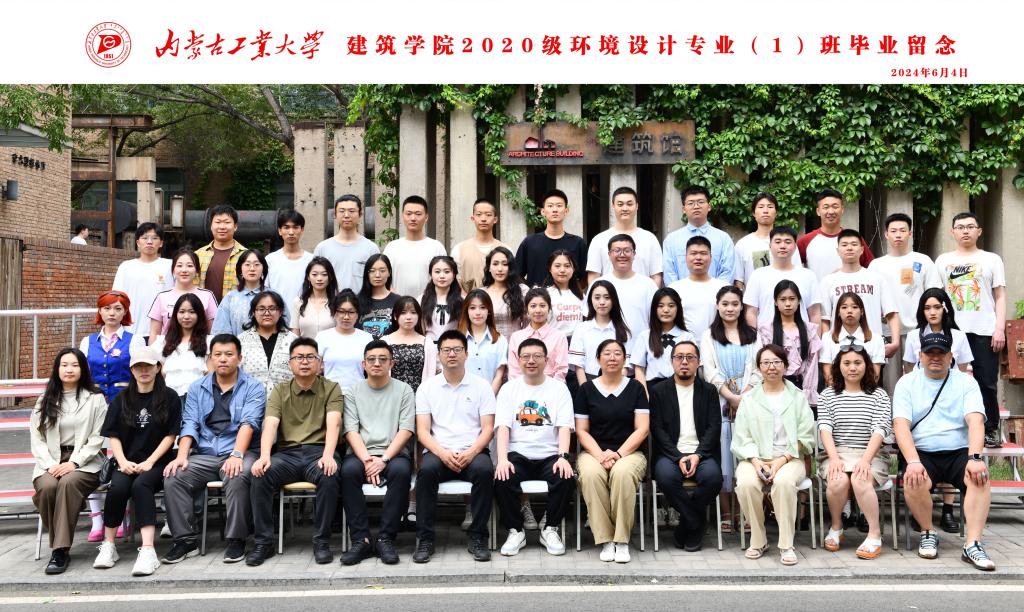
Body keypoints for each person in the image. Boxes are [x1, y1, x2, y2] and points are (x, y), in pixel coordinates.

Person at [892, 332, 995, 571]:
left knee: (979, 477)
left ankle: (973, 544)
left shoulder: (966, 382)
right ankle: (928, 532)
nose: (935, 358)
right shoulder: (906, 383)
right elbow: (900, 425)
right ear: (920, 356)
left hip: (959, 450)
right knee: (913, 478)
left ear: (951, 357)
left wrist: (975, 457)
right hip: (922, 451)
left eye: (941, 353)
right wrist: (913, 461)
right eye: (930, 353)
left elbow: (976, 421)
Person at [161, 334, 266, 565]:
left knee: (237, 474)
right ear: (210, 358)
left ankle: (236, 539)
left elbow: (249, 423)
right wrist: (181, 456)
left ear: (239, 358)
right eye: (218, 354)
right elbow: (190, 423)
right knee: (174, 475)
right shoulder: (197, 387)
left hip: (240, 451)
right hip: (206, 453)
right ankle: (185, 540)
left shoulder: (254, 387)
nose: (223, 359)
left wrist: (237, 454)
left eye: (229, 354)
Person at [246, 337, 343, 566]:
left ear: (319, 363)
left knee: (329, 475)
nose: (305, 362)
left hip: (319, 452)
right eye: (299, 357)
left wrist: (328, 455)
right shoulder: (280, 391)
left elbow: (335, 422)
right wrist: (264, 457)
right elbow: (270, 424)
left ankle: (321, 541)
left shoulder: (331, 388)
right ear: (290, 363)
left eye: (310, 357)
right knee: (260, 474)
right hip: (287, 455)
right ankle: (264, 543)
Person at [92, 346, 180, 576]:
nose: (144, 370)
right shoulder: (121, 399)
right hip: (127, 461)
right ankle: (109, 545)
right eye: (138, 366)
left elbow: (171, 435)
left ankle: (148, 549)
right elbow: (113, 435)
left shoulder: (169, 397)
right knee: (118, 488)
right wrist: (122, 462)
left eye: (148, 366)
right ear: (131, 370)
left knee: (142, 485)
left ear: (158, 368)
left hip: (158, 461)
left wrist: (150, 461)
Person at [413, 330, 496, 563]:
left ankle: (478, 536)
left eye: (457, 350)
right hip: (439, 451)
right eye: (446, 350)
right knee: (426, 472)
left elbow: (488, 428)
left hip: (473, 450)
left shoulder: (481, 386)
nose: (452, 354)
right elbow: (422, 431)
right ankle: (425, 539)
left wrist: (471, 452)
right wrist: (442, 453)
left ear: (466, 354)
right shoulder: (427, 388)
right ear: (439, 354)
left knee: (484, 471)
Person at [731, 344, 815, 566]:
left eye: (777, 362)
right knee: (746, 483)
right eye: (766, 363)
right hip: (755, 458)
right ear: (759, 367)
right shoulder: (749, 399)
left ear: (785, 366)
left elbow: (807, 435)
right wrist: (756, 461)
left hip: (790, 458)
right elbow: (741, 437)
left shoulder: (797, 397)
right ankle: (758, 540)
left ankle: (786, 544)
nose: (771, 367)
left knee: (784, 483)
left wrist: (781, 460)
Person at [494, 338, 575, 556]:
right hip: (518, 454)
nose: (531, 361)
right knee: (502, 477)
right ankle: (516, 530)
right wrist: (502, 459)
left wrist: (563, 457)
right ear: (518, 360)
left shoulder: (559, 389)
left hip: (550, 454)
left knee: (566, 477)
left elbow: (564, 426)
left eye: (537, 356)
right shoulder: (508, 389)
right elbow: (503, 427)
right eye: (526, 356)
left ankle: (550, 528)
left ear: (546, 360)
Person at [30, 349, 107, 574]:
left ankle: (59, 550)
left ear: (83, 369)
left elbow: (97, 438)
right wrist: (49, 464)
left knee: (67, 483)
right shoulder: (45, 399)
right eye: (64, 365)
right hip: (51, 461)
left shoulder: (95, 399)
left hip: (86, 461)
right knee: (47, 487)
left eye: (75, 365)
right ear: (57, 369)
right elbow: (36, 437)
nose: (69, 369)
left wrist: (74, 463)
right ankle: (69, 509)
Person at [934, 211, 1006, 448]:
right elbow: (937, 298)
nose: (965, 231)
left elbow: (1000, 296)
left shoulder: (992, 259)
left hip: (984, 330)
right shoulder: (943, 261)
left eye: (970, 226)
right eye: (960, 227)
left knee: (987, 382)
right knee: (948, 380)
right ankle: (951, 428)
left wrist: (999, 329)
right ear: (952, 232)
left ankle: (991, 429)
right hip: (952, 331)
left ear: (979, 231)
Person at [340, 340, 416, 566]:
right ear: (363, 364)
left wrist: (383, 460)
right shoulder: (353, 391)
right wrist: (367, 460)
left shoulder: (404, 390)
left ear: (392, 363)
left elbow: (406, 430)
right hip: (361, 453)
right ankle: (361, 539)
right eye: (371, 359)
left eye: (383, 359)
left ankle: (386, 538)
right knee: (348, 472)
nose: (377, 363)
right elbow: (351, 430)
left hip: (393, 453)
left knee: (401, 472)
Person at [575, 339, 650, 562]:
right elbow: (581, 431)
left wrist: (618, 455)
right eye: (607, 353)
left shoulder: (635, 388)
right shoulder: (586, 390)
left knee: (622, 473)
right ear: (598, 359)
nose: (612, 357)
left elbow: (642, 429)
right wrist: (600, 455)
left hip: (630, 452)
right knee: (590, 474)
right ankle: (605, 539)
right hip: (594, 452)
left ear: (625, 359)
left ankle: (621, 540)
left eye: (618, 353)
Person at [817, 344, 892, 560]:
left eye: (858, 363)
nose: (852, 368)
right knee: (837, 480)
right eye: (847, 363)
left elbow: (880, 430)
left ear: (866, 365)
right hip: (837, 452)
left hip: (871, 454)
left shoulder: (879, 395)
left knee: (860, 479)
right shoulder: (827, 395)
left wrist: (866, 460)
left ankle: (874, 534)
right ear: (838, 366)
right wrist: (834, 459)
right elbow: (825, 428)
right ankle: (836, 527)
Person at [649, 340, 723, 551]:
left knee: (713, 478)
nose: (684, 362)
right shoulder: (659, 391)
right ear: (672, 361)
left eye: (690, 357)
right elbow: (657, 430)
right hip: (670, 454)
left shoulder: (708, 390)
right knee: (665, 477)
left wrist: (698, 455)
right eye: (679, 357)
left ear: (698, 362)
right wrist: (678, 457)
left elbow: (714, 427)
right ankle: (695, 522)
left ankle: (685, 526)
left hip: (702, 454)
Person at [700, 285, 761, 531]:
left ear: (741, 306)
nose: (730, 308)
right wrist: (730, 397)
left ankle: (746, 512)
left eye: (735, 304)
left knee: (746, 455)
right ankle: (726, 512)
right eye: (725, 304)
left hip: (750, 400)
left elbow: (758, 369)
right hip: (719, 401)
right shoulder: (709, 336)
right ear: (717, 306)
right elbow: (709, 371)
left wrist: (743, 397)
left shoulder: (753, 335)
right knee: (723, 455)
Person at [868, 213, 942, 392]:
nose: (898, 235)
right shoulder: (876, 265)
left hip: (918, 330)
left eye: (902, 230)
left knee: (919, 380)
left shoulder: (923, 261)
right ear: (886, 234)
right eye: (893, 231)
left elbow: (935, 295)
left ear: (910, 233)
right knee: (890, 384)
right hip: (886, 332)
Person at [819, 229, 899, 358]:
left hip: (872, 349)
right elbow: (825, 319)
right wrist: (827, 346)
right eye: (844, 245)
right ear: (838, 251)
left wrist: (895, 342)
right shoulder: (828, 281)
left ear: (862, 249)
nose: (849, 248)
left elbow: (891, 312)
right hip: (839, 351)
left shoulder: (876, 279)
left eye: (854, 244)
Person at [757, 281, 822, 408]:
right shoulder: (767, 330)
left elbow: (812, 364)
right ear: (775, 302)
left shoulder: (809, 330)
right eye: (783, 299)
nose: (788, 304)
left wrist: (807, 393)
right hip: (775, 386)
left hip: (801, 385)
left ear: (799, 301)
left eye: (792, 299)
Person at [743, 227, 821, 328]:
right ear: (770, 245)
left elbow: (814, 313)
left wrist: (815, 337)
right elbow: (751, 312)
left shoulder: (808, 276)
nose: (783, 246)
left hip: (801, 335)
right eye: (778, 242)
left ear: (795, 246)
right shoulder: (757, 275)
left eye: (788, 242)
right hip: (766, 336)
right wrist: (754, 337)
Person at [586, 187, 663, 285]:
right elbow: (593, 277)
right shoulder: (599, 240)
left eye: (629, 204)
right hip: (608, 294)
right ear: (613, 206)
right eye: (620, 204)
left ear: (637, 206)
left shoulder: (650, 239)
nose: (625, 208)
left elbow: (656, 276)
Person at [112, 222, 172, 342]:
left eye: (154, 238)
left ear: (161, 243)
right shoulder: (126, 267)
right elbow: (116, 298)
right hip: (130, 331)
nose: (149, 242)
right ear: (138, 242)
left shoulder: (170, 266)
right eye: (145, 238)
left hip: (163, 333)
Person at [796, 189, 874, 281]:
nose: (831, 211)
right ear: (818, 211)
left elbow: (871, 268)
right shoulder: (805, 241)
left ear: (842, 209)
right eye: (826, 207)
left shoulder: (854, 240)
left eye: (835, 206)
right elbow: (794, 270)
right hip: (818, 290)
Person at [515, 189, 588, 288]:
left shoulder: (578, 243)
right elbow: (516, 274)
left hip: (566, 297)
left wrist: (571, 292)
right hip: (536, 297)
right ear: (543, 211)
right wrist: (529, 292)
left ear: (566, 211)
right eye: (550, 206)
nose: (555, 210)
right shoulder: (529, 242)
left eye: (559, 206)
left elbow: (585, 278)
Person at [662, 185, 735, 284]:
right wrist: (678, 292)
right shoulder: (671, 240)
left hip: (717, 293)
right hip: (680, 293)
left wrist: (717, 291)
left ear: (709, 206)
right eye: (690, 203)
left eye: (701, 202)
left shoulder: (723, 239)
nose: (696, 206)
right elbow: (669, 273)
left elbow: (728, 272)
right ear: (684, 209)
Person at [631, 287, 695, 393]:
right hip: (653, 389)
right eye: (660, 306)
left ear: (678, 308)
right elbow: (639, 370)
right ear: (654, 309)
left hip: (681, 388)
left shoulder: (687, 337)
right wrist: (645, 396)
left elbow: (693, 367)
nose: (666, 310)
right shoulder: (645, 336)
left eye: (671, 306)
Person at [594, 234, 658, 340]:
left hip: (641, 346)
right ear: (609, 254)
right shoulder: (599, 284)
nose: (622, 255)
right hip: (606, 346)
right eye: (617, 250)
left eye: (627, 250)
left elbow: (656, 319)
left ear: (634, 254)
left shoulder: (648, 285)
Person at [382, 195, 447, 299]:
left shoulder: (436, 247)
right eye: (408, 214)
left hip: (429, 305)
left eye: (418, 214)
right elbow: (383, 279)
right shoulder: (392, 248)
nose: (413, 218)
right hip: (397, 305)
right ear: (402, 216)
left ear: (426, 217)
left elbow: (445, 279)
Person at [733, 193, 803, 289]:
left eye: (770, 207)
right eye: (761, 207)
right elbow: (738, 280)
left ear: (776, 212)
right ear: (753, 213)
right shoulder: (743, 244)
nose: (765, 211)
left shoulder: (787, 243)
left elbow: (798, 273)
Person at [569, 280, 631, 385]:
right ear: (590, 300)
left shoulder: (623, 330)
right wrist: (585, 389)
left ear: (613, 300)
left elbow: (626, 365)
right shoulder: (582, 328)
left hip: (617, 382)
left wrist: (616, 386)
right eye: (597, 298)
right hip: (588, 381)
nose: (602, 302)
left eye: (607, 297)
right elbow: (578, 365)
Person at [314, 194, 380, 293]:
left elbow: (377, 283)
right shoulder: (323, 248)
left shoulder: (371, 248)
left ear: (360, 214)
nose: (346, 215)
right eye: (341, 211)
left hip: (360, 302)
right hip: (331, 302)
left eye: (351, 211)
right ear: (335, 214)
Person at [147, 249, 219, 341]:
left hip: (199, 347)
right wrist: (153, 349)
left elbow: (213, 333)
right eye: (179, 266)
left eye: (189, 266)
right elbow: (154, 334)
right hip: (168, 348)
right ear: (173, 270)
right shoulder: (162, 297)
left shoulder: (207, 296)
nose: (184, 270)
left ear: (197, 270)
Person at [667, 236, 728, 341]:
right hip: (683, 346)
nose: (698, 257)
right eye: (693, 253)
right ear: (686, 257)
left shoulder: (724, 288)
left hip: (717, 344)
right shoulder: (674, 289)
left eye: (703, 253)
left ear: (711, 257)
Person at [149, 293, 210, 398]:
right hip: (169, 399)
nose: (186, 316)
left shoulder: (208, 342)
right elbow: (158, 374)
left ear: (199, 314)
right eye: (182, 312)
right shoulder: (163, 343)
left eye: (192, 312)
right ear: (175, 314)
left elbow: (210, 376)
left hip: (198, 399)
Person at [239, 290, 298, 396]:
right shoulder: (241, 341)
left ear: (280, 312)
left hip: (286, 401)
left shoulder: (293, 341)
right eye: (261, 309)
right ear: (254, 312)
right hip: (249, 402)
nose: (267, 313)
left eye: (272, 308)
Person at [80, 290, 134, 404]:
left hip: (125, 402)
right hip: (93, 402)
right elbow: (82, 374)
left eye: (118, 309)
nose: (112, 313)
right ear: (100, 310)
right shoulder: (87, 341)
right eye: (107, 308)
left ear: (125, 311)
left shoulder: (135, 340)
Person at [820, 292, 886, 385]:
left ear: (862, 312)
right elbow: (828, 375)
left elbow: (875, 375)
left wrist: (858, 392)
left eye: (854, 307)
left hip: (867, 390)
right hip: (836, 391)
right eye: (844, 307)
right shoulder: (827, 338)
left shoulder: (876, 339)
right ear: (838, 312)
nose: (849, 311)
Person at [904, 288, 974, 373]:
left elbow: (961, 372)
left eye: (937, 307)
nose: (932, 312)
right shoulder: (912, 336)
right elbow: (910, 371)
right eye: (927, 308)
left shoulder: (960, 336)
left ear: (945, 308)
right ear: (922, 311)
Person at [315, 290, 374, 392]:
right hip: (329, 394)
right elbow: (314, 370)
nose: (346, 317)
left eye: (351, 312)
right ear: (334, 313)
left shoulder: (367, 338)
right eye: (341, 311)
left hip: (359, 393)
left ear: (357, 314)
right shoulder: (322, 337)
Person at [265, 210, 314, 328]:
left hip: (305, 320)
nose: (291, 232)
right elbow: (265, 292)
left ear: (302, 230)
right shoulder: (270, 260)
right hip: (276, 321)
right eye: (286, 227)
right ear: (279, 231)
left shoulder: (312, 260)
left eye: (295, 227)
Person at [507, 287, 568, 381]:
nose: (538, 310)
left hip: (552, 387)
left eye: (542, 306)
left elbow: (561, 370)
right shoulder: (516, 337)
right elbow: (514, 372)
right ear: (526, 309)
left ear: (549, 308)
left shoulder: (559, 337)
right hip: (522, 388)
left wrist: (549, 388)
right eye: (533, 306)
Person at [381, 296, 439, 393]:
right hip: (391, 396)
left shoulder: (428, 343)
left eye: (413, 312)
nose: (408, 317)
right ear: (395, 316)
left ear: (419, 316)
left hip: (419, 397)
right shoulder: (385, 341)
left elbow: (431, 375)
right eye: (403, 313)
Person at [457, 289, 508, 395]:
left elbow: (499, 376)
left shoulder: (500, 340)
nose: (478, 312)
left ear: (489, 310)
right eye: (472, 308)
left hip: (490, 399)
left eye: (482, 307)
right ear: (466, 311)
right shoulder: (456, 340)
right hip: (461, 398)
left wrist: (487, 399)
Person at [451, 198, 508, 292]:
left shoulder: (505, 249)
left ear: (495, 219)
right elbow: (454, 280)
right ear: (473, 218)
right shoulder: (459, 249)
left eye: (488, 215)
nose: (483, 219)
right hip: (467, 300)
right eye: (479, 214)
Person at [196, 204, 248, 303]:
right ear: (211, 226)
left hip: (234, 309)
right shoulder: (198, 255)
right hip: (204, 310)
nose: (222, 227)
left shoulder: (246, 256)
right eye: (218, 222)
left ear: (235, 226)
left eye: (227, 222)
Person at [211, 249, 268, 337]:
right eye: (247, 264)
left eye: (257, 264)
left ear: (263, 268)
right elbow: (221, 332)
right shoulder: (230, 298)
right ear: (240, 269)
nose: (252, 268)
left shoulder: (273, 296)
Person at [483, 246, 529, 339]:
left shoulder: (522, 291)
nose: (500, 269)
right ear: (489, 268)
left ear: (511, 268)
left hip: (516, 344)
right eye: (495, 264)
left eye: (505, 264)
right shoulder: (481, 293)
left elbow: (528, 323)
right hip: (489, 344)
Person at [543, 249, 586, 342]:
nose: (562, 270)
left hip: (577, 343)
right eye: (557, 266)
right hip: (552, 342)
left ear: (573, 269)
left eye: (567, 266)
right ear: (550, 269)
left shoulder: (581, 295)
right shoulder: (544, 294)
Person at [291, 256, 339, 339]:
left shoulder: (338, 302)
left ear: (330, 277)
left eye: (324, 274)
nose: (319, 278)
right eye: (314, 274)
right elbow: (295, 333)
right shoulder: (298, 302)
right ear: (308, 277)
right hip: (304, 347)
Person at [356, 254, 400, 340]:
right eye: (372, 271)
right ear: (367, 274)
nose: (377, 275)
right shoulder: (356, 301)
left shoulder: (398, 301)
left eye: (382, 271)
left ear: (389, 273)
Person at [421, 255, 464, 343]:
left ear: (454, 275)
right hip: (428, 346)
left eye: (447, 272)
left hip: (453, 346)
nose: (442, 276)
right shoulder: (422, 299)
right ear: (431, 274)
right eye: (437, 272)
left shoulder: (462, 300)